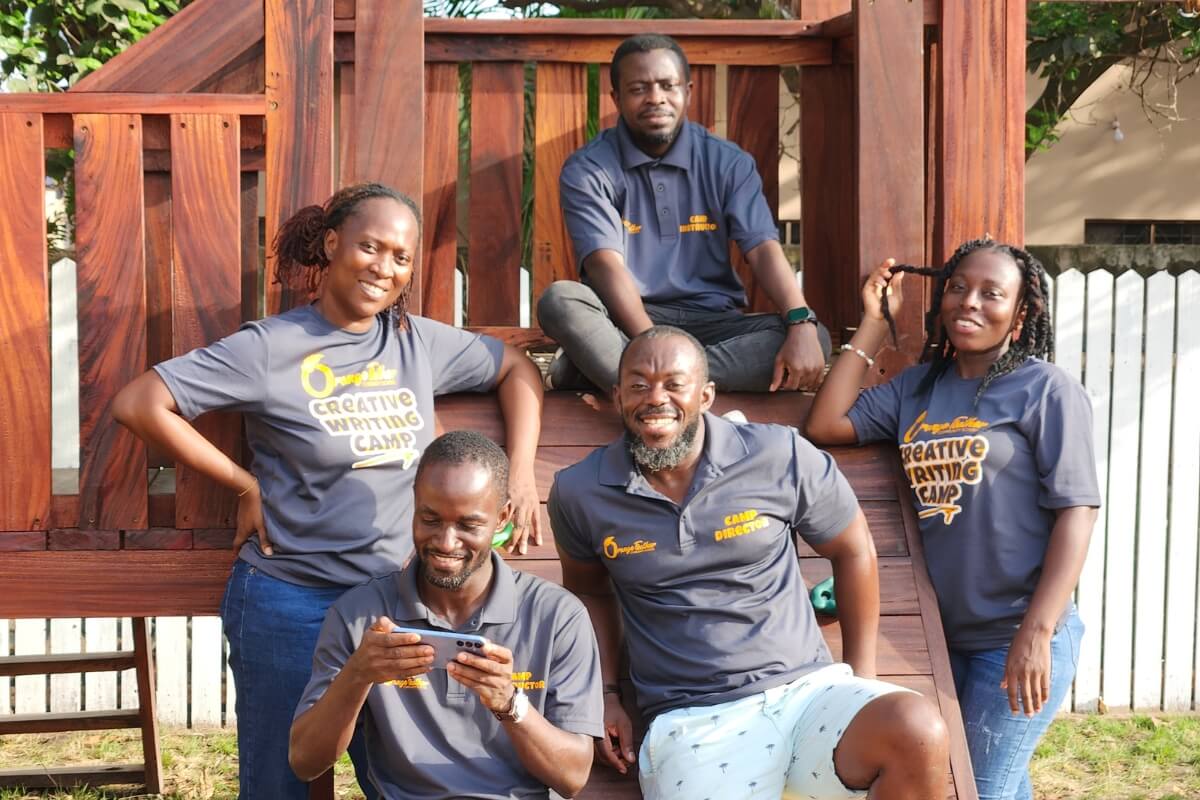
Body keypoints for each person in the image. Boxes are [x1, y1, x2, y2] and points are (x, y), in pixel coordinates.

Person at [112, 183, 545, 799]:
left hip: (390, 605)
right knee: (282, 782)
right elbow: (141, 403)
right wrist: (243, 483)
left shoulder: (416, 343)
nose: (384, 267)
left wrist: (521, 472)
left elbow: (516, 369)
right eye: (370, 246)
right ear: (332, 243)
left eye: (400, 257)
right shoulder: (271, 347)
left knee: (406, 780)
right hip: (290, 600)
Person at [548, 326, 949, 800]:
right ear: (617, 396)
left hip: (807, 694)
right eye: (639, 385)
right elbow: (590, 591)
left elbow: (853, 548)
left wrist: (861, 677)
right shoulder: (580, 491)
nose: (656, 398)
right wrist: (607, 695)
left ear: (706, 395)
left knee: (917, 726)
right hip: (692, 721)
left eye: (675, 384)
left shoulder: (779, 454)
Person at [804, 239, 1100, 800]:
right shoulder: (918, 388)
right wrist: (872, 325)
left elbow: (1076, 512)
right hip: (941, 642)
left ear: (1022, 311)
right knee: (992, 786)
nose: (970, 302)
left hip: (1016, 634)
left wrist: (1037, 633)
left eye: (993, 294)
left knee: (979, 790)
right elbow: (825, 423)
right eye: (959, 287)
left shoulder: (1045, 390)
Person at [289, 431, 603, 799]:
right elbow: (305, 762)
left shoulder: (556, 616)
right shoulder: (361, 615)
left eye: (468, 525)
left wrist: (509, 703)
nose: (446, 542)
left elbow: (573, 776)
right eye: (430, 519)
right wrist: (358, 674)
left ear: (502, 519)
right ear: (415, 505)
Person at [537, 34, 830, 394]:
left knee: (815, 338)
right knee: (561, 300)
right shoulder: (588, 169)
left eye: (667, 85)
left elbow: (762, 248)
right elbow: (604, 265)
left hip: (713, 322)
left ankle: (620, 377)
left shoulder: (728, 162)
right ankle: (660, 378)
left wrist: (801, 321)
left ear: (687, 92)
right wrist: (652, 343)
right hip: (627, 320)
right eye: (638, 88)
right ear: (616, 98)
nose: (655, 98)